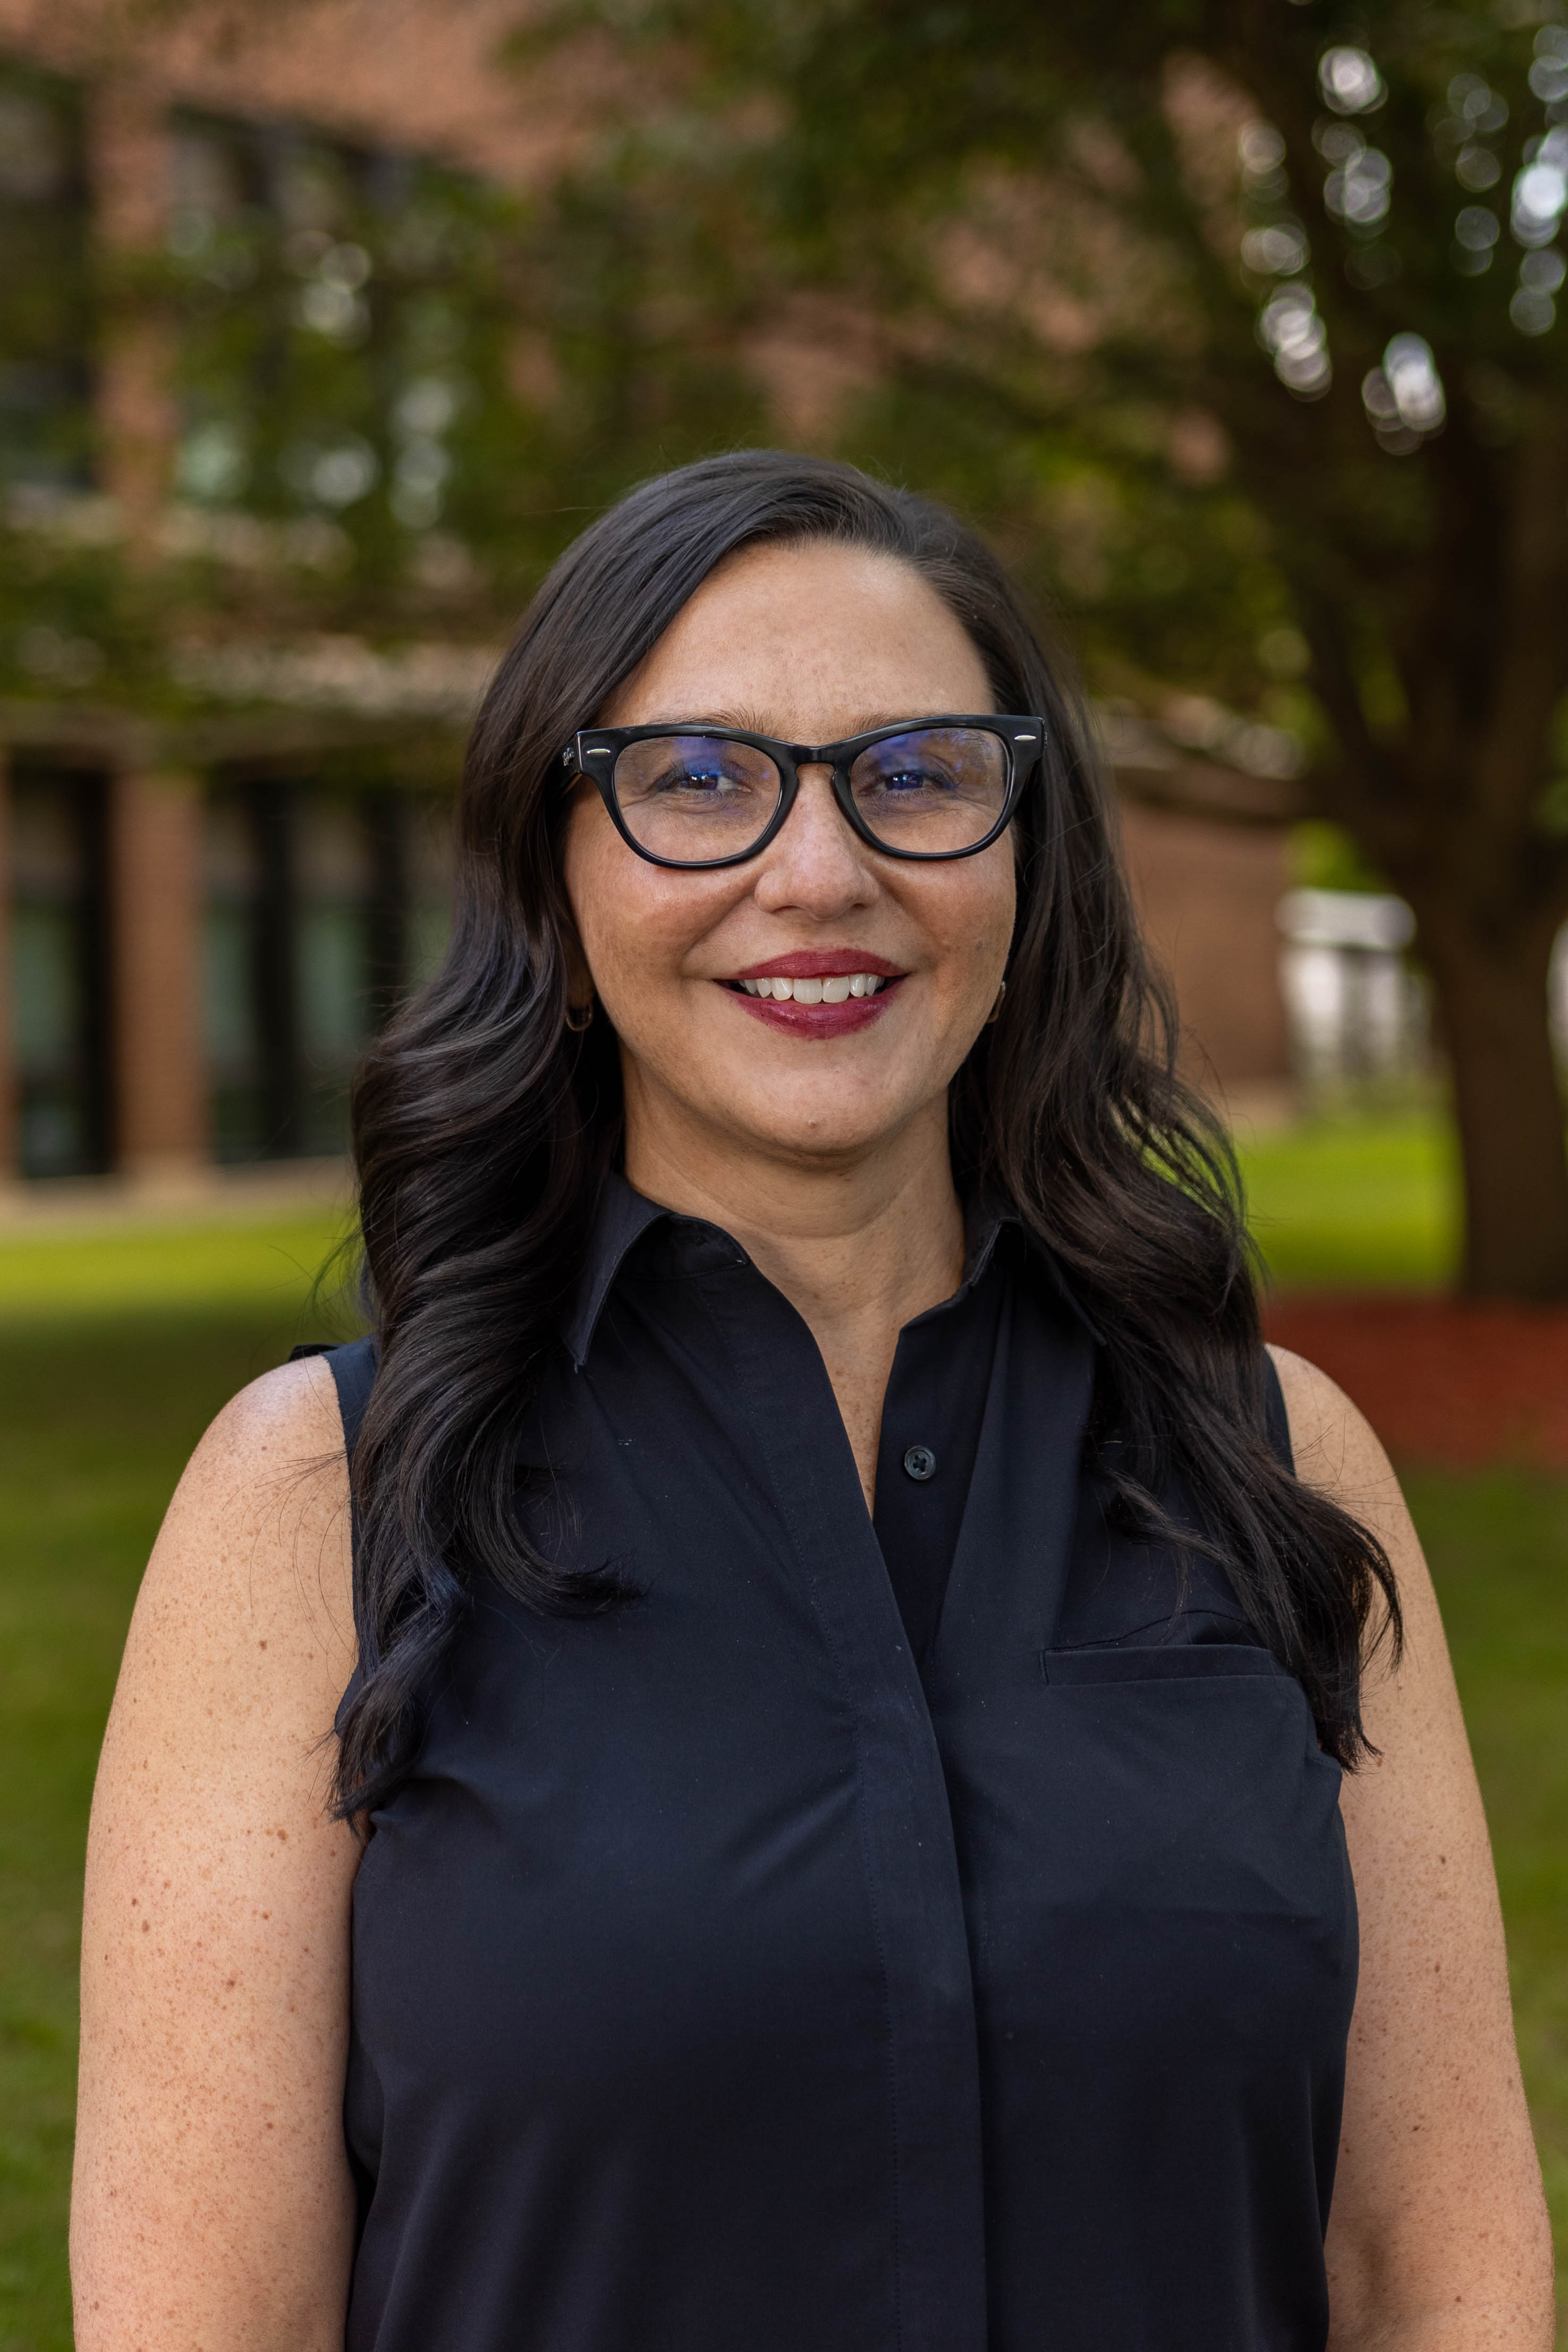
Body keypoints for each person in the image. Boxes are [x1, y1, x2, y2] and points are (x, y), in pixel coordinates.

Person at [72, 452, 1552, 2352]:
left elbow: (1440, 2271)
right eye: (697, 781)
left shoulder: (1271, 1456)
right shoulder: (313, 1503)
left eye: (916, 771)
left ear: (1028, 851)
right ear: (557, 862)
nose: (819, 870)